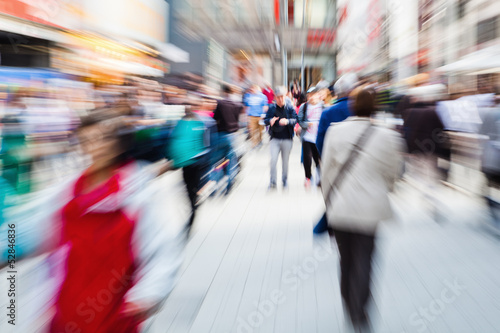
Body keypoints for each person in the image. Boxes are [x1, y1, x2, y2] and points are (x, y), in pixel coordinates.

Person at [0, 108, 186, 332]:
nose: (95, 146)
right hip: (66, 309)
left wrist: (149, 293)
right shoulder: (66, 193)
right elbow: (31, 233)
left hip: (116, 313)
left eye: (103, 138)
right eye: (87, 140)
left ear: (119, 142)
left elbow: (163, 248)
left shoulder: (140, 192)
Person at [321, 88, 404, 331]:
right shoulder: (388, 136)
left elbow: (326, 173)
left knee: (345, 260)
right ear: (375, 107)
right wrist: (384, 188)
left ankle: (349, 306)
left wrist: (328, 203)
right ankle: (361, 311)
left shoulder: (336, 132)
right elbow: (394, 172)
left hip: (341, 207)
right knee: (365, 259)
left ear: (352, 106)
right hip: (371, 208)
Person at [314, 73, 358, 233]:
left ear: (336, 92)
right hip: (357, 164)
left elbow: (319, 141)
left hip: (333, 163)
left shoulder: (327, 113)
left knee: (334, 194)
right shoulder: (359, 111)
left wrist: (325, 159)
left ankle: (336, 228)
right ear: (353, 91)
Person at [264, 86, 299, 189]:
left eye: (282, 96)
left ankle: (285, 181)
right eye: (278, 97)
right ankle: (273, 182)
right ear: (275, 97)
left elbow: (296, 120)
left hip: (287, 139)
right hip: (275, 139)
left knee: (285, 162)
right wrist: (270, 121)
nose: (280, 99)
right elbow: (265, 120)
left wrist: (287, 121)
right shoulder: (271, 108)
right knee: (273, 161)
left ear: (285, 96)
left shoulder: (289, 107)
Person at [213, 84, 244, 193]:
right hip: (234, 135)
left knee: (217, 160)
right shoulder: (237, 104)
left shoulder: (220, 103)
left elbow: (214, 118)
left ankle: (217, 183)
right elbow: (238, 120)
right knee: (231, 160)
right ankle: (230, 182)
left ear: (223, 91)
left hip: (221, 135)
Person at [298, 87, 323, 188]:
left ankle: (319, 178)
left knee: (318, 160)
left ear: (318, 95)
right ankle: (308, 178)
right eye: (310, 95)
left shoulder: (323, 106)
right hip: (307, 137)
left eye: (314, 94)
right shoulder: (304, 107)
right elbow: (299, 120)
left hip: (319, 137)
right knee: (307, 159)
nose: (312, 97)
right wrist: (307, 124)